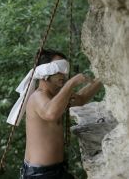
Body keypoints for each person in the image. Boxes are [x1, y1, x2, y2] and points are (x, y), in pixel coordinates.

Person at [19, 49, 102, 179]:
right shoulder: (37, 96)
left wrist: (102, 78)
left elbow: (80, 99)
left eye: (64, 69)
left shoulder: (56, 98)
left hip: (56, 171)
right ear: (45, 72)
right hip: (40, 175)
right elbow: (51, 113)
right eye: (59, 68)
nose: (63, 73)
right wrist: (70, 83)